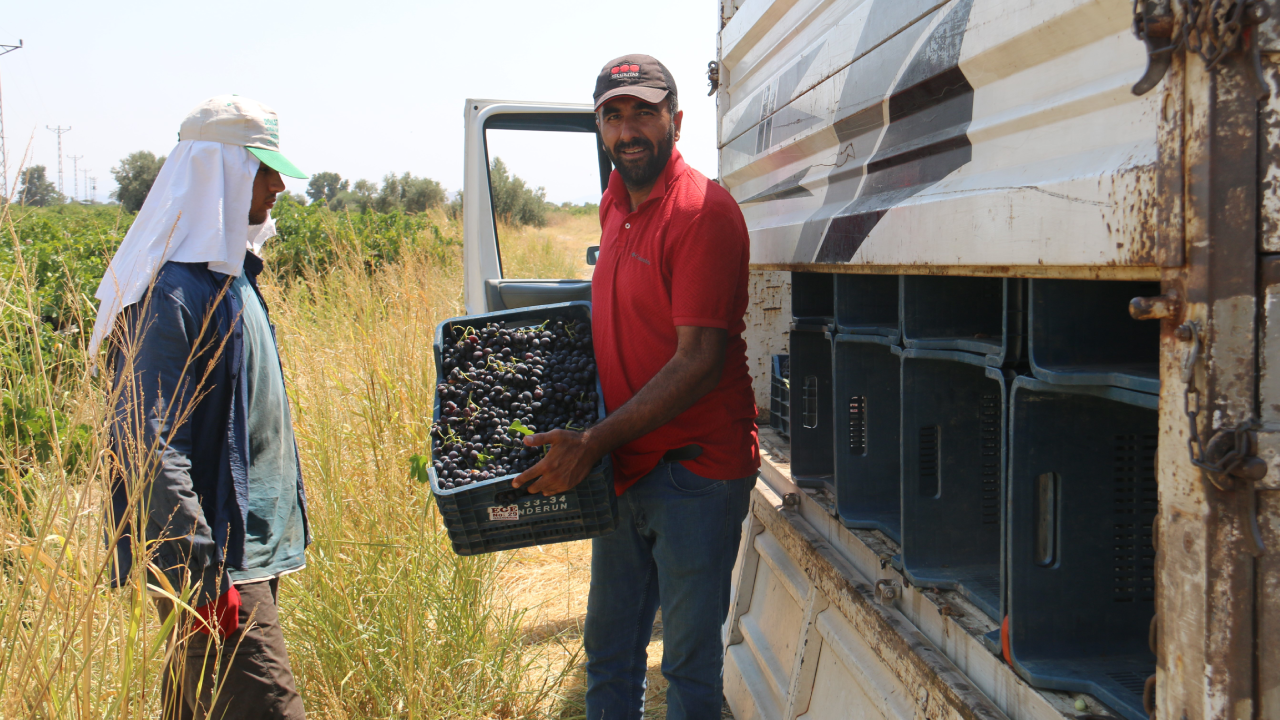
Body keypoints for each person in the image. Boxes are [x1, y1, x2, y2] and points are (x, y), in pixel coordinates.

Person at [513, 55, 760, 719]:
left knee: (686, 668)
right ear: (599, 127)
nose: (629, 129)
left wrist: (590, 441)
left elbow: (699, 360)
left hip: (693, 474)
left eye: (644, 112)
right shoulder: (614, 204)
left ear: (675, 121)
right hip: (625, 462)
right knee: (610, 653)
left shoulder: (702, 212)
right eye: (613, 114)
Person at [95, 95, 311, 720]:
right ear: (220, 171)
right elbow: (146, 441)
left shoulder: (229, 272)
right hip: (218, 564)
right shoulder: (172, 292)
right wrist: (197, 572)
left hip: (244, 554)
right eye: (263, 169)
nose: (276, 186)